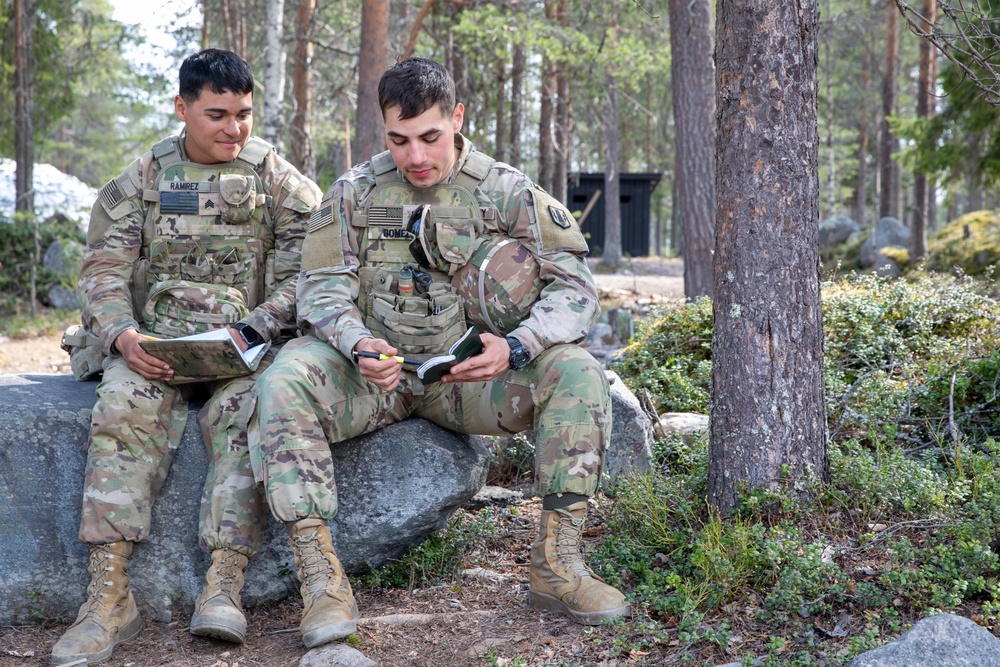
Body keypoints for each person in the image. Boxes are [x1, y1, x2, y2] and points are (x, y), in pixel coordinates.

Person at [248, 56, 629, 650]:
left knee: (578, 371)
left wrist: (516, 346)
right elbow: (321, 290)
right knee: (284, 378)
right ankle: (321, 582)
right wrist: (356, 342)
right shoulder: (354, 192)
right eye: (398, 140)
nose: (416, 156)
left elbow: (575, 289)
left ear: (456, 118)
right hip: (374, 377)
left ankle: (558, 566)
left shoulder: (504, 189)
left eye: (429, 137)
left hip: (470, 381)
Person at [51, 48, 321, 665]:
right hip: (154, 350)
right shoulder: (143, 179)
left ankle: (224, 584)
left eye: (244, 115)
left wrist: (260, 325)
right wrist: (122, 336)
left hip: (242, 352)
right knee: (121, 408)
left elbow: (308, 272)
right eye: (217, 114)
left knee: (247, 416)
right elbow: (102, 270)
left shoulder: (277, 180)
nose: (234, 129)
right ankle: (109, 597)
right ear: (182, 108)